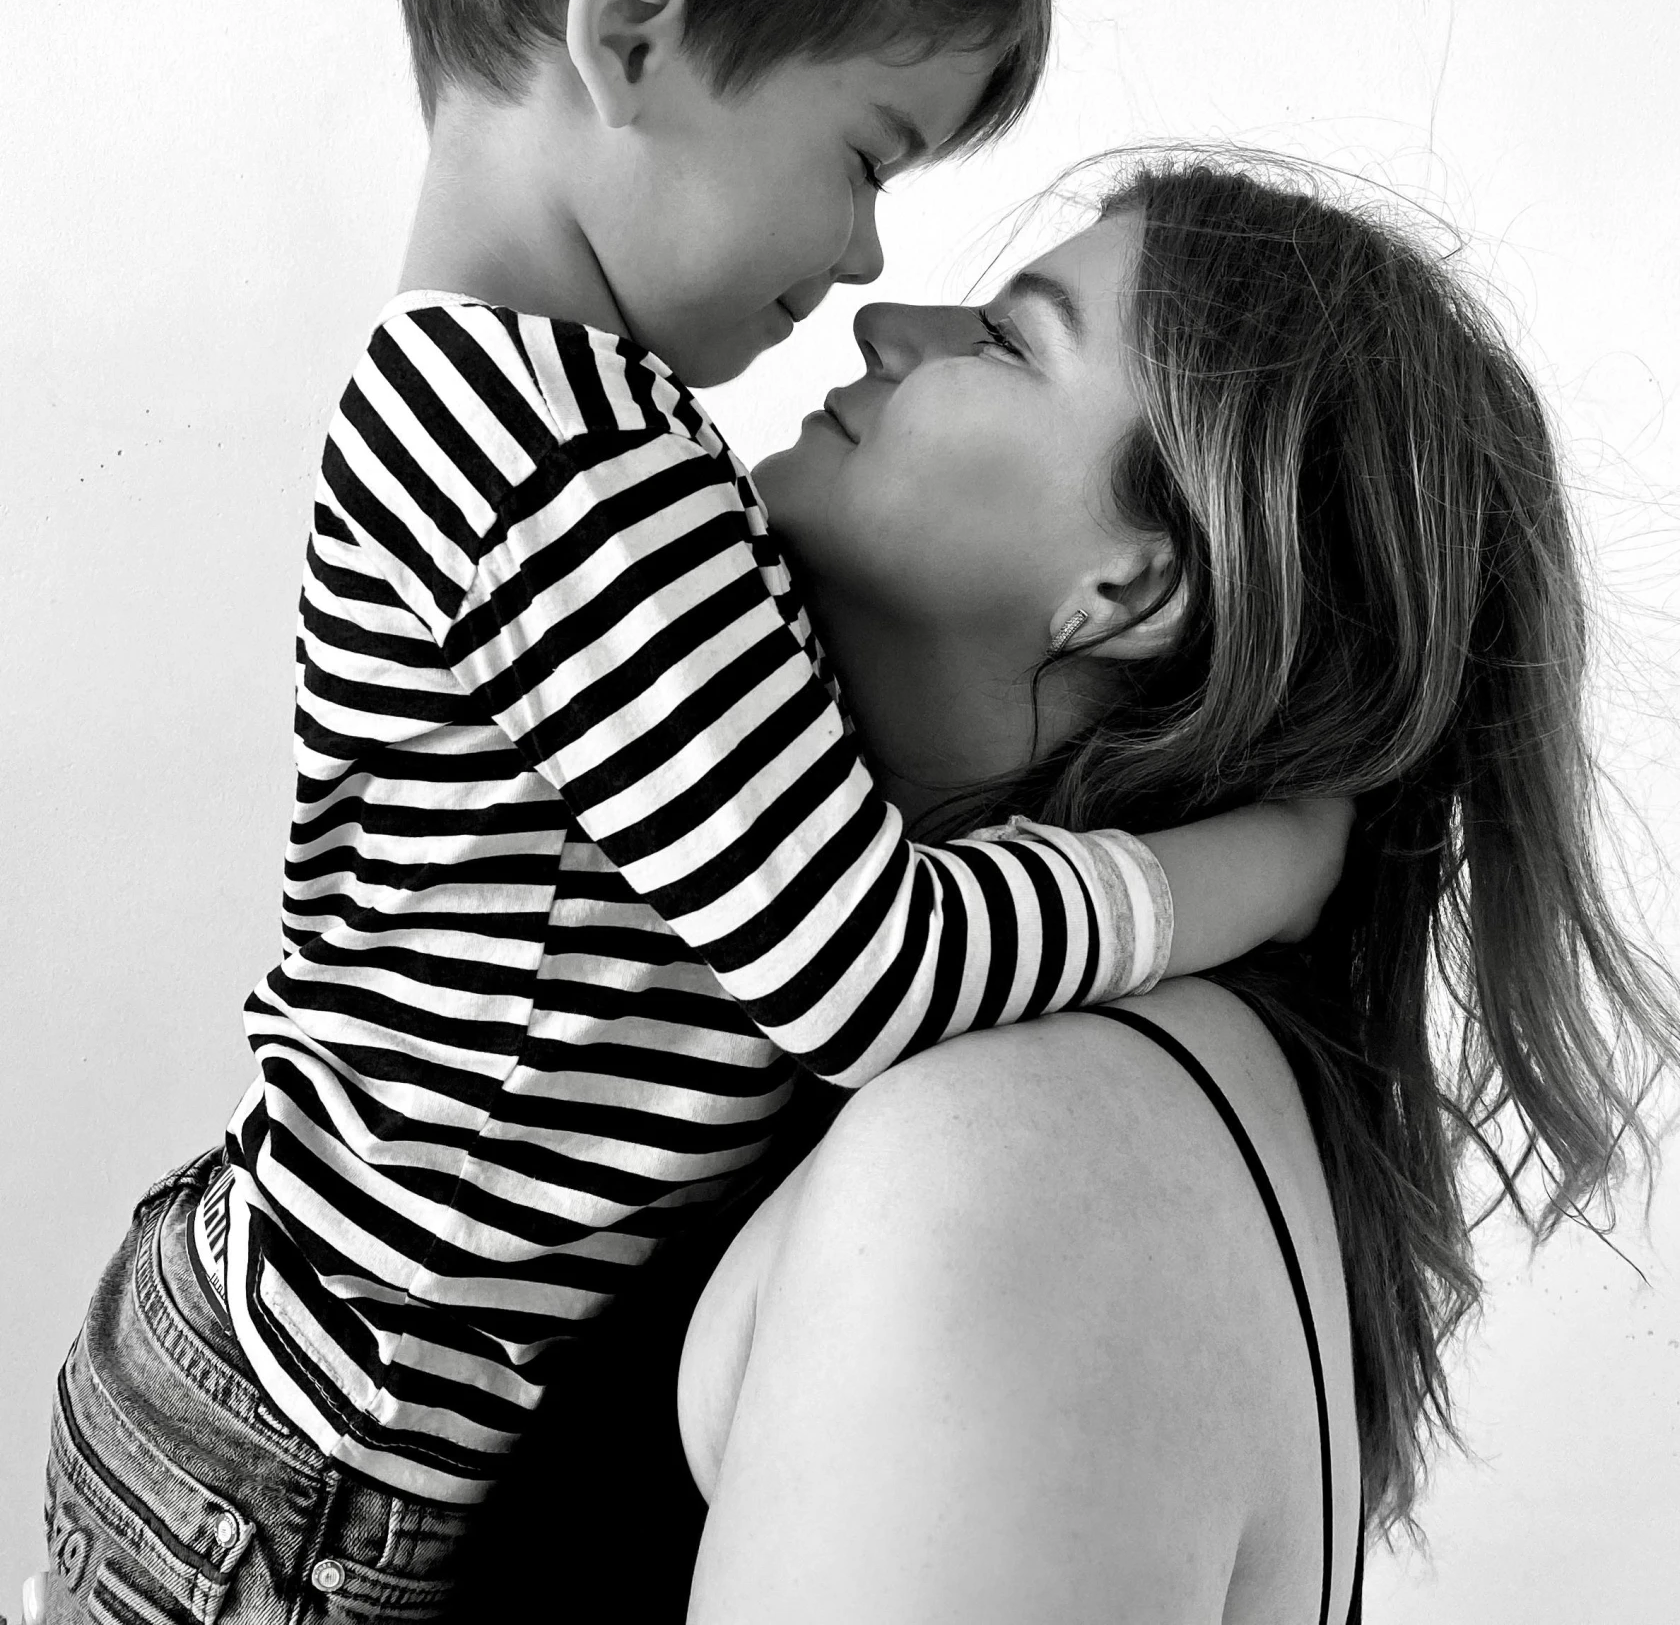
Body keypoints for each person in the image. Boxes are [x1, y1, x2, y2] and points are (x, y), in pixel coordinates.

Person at [33, 0, 1345, 1625]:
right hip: (309, 1445)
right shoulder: (561, 473)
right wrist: (1228, 878)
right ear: (630, 30)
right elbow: (858, 964)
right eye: (863, 152)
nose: (862, 253)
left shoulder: (566, 438)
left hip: (299, 1404)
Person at [442, 152, 1676, 1620]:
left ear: (1134, 591)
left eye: (1011, 341)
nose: (883, 322)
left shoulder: (1013, 1164)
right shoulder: (1011, 1076)